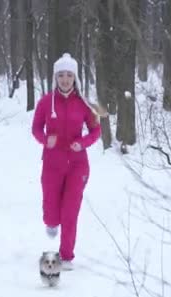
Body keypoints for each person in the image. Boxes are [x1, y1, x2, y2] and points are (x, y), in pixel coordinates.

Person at [31, 53, 102, 270]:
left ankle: (67, 256)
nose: (65, 79)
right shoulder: (45, 102)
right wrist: (45, 140)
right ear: (55, 77)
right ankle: (51, 223)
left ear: (75, 78)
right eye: (61, 75)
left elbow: (96, 130)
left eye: (69, 75)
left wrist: (83, 142)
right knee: (52, 213)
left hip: (78, 165)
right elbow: (35, 128)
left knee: (70, 211)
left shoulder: (84, 104)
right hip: (52, 164)